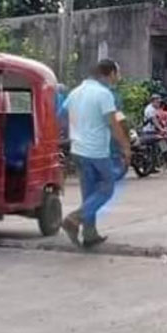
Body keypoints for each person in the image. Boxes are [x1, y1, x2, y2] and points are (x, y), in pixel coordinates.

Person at [60, 58, 132, 248]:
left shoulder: (76, 92)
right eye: (118, 72)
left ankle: (90, 234)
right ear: (110, 73)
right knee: (107, 189)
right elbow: (113, 124)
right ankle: (75, 218)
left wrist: (76, 132)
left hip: (78, 149)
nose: (118, 77)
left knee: (89, 193)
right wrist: (125, 147)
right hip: (96, 152)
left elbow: (63, 116)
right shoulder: (104, 94)